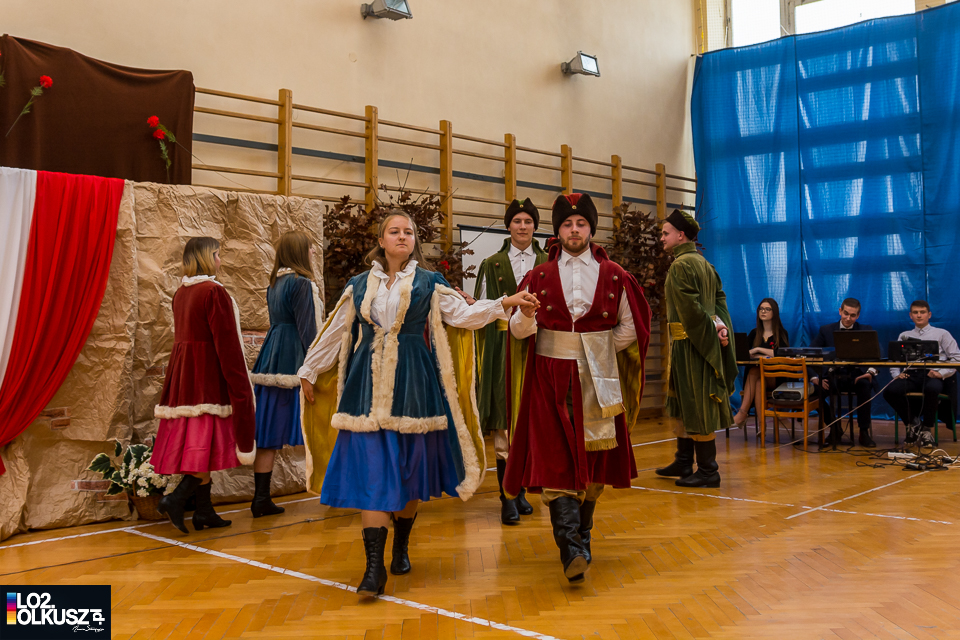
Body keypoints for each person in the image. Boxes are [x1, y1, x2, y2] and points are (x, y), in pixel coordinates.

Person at [297, 210, 538, 598]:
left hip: (414, 387)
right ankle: (373, 569)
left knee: (408, 474)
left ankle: (401, 544)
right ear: (381, 241)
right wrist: (309, 369)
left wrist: (504, 302)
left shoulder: (429, 282)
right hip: (365, 389)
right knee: (373, 475)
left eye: (408, 232)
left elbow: (463, 315)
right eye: (394, 231)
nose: (402, 236)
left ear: (414, 241)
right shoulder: (359, 285)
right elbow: (337, 330)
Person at [503, 193, 651, 583]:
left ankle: (582, 537)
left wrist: (595, 349)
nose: (574, 230)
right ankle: (570, 546)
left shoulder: (615, 275)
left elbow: (631, 325)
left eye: (581, 223)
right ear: (558, 230)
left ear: (590, 229)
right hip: (548, 380)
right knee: (554, 459)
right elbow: (517, 331)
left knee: (594, 465)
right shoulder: (537, 276)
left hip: (598, 380)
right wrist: (526, 317)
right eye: (567, 224)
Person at [151, 237, 256, 534]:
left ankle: (204, 511)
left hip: (184, 375)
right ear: (207, 257)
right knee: (203, 444)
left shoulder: (181, 293)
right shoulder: (213, 291)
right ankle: (176, 499)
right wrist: (239, 385)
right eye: (218, 254)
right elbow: (226, 344)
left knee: (198, 441)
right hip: (206, 376)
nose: (220, 260)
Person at [470, 198, 547, 525]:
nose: (523, 226)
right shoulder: (492, 263)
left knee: (530, 418)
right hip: (502, 348)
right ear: (508, 226)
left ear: (535, 226)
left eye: (528, 221)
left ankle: (522, 490)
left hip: (538, 347)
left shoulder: (548, 262)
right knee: (504, 418)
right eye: (517, 221)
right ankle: (507, 496)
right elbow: (484, 307)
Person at [655, 209, 737, 489]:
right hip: (695, 342)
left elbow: (691, 311)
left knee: (698, 404)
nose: (661, 238)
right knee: (684, 403)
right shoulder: (705, 264)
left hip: (692, 346)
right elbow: (719, 304)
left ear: (681, 235)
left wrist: (708, 342)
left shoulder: (681, 265)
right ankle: (683, 460)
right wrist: (720, 329)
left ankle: (707, 470)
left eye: (665, 233)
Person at [248, 231, 322, 518]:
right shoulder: (301, 283)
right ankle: (336, 489)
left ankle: (260, 498)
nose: (313, 252)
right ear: (300, 252)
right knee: (320, 422)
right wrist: (316, 364)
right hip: (293, 359)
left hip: (271, 356)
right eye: (310, 248)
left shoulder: (274, 283)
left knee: (268, 432)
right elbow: (308, 331)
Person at [883, 300, 960, 448]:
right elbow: (895, 359)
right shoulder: (904, 335)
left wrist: (941, 373)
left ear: (929, 315)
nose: (919, 315)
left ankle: (926, 429)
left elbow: (957, 359)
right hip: (911, 375)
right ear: (910, 315)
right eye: (915, 313)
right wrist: (896, 374)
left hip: (933, 374)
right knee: (890, 391)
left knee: (932, 389)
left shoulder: (942, 334)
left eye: (922, 312)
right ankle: (914, 423)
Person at [810, 298, 878, 447]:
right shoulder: (826, 330)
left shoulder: (865, 329)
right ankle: (834, 427)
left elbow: (877, 353)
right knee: (815, 392)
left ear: (858, 316)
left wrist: (870, 372)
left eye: (852, 315)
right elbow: (810, 354)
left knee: (865, 385)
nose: (848, 318)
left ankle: (864, 432)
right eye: (846, 313)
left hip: (857, 376)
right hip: (833, 376)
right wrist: (815, 377)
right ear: (840, 311)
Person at [731, 298, 789, 429]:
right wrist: (761, 354)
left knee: (755, 372)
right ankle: (762, 427)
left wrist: (758, 350)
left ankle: (742, 413)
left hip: (776, 376)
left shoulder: (781, 333)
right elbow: (745, 353)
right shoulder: (754, 333)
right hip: (759, 377)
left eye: (767, 309)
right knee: (758, 382)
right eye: (761, 309)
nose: (763, 311)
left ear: (774, 312)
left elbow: (781, 353)